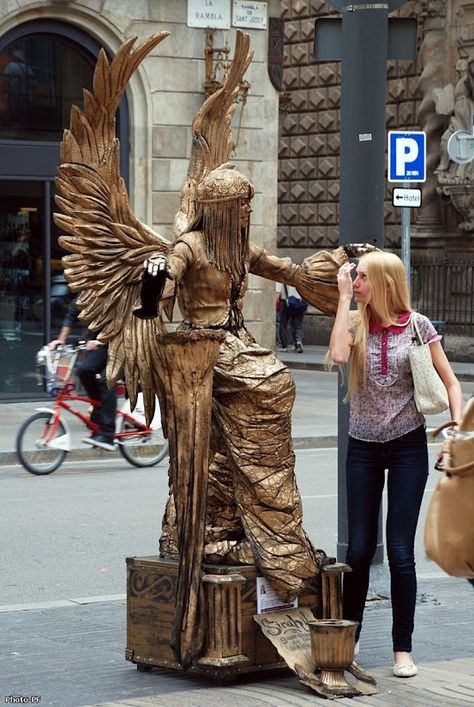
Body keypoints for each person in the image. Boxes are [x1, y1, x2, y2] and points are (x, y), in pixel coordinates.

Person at [137, 163, 374, 602]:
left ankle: (258, 515)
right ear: (224, 209)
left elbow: (290, 271)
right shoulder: (190, 245)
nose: (249, 210)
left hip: (235, 341)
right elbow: (166, 278)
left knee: (272, 389)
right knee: (272, 381)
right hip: (205, 347)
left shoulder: (239, 247)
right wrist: (157, 280)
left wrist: (342, 259)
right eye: (243, 204)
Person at [328, 250, 463, 678]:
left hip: (407, 447)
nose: (358, 281)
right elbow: (336, 356)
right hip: (363, 447)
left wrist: (456, 432)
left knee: (401, 552)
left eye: (363, 277)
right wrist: (343, 300)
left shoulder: (418, 325)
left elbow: (451, 381)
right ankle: (347, 644)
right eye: (356, 276)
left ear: (386, 282)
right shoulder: (354, 322)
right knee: (361, 549)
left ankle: (402, 650)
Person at [50, 295, 117, 451]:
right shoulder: (88, 292)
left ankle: (108, 434)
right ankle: (98, 414)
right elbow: (72, 314)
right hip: (102, 344)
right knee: (83, 370)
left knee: (107, 381)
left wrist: (101, 341)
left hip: (123, 343)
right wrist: (61, 339)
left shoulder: (114, 290)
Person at [279, 283, 307, 353]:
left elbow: (278, 290)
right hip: (299, 302)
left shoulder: (282, 278)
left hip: (286, 302)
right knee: (297, 324)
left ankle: (284, 346)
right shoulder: (299, 278)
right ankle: (298, 341)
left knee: (283, 325)